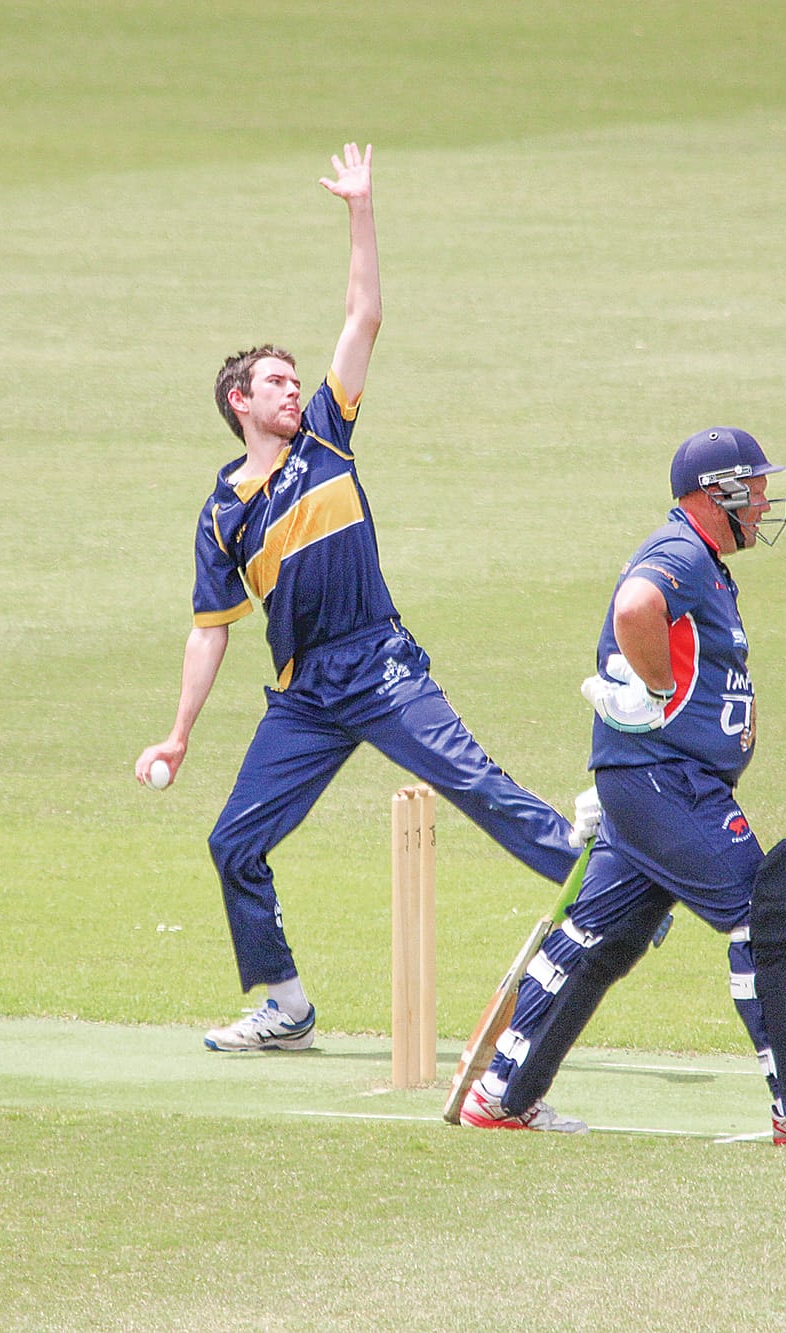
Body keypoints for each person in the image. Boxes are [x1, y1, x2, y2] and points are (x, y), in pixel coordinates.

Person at [133, 144, 579, 1053]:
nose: (295, 390)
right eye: (276, 384)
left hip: (380, 667)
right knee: (234, 844)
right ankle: (285, 1007)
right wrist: (179, 731)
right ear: (237, 401)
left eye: (298, 380)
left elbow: (364, 313)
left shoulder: (328, 436)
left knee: (480, 789)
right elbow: (207, 634)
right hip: (306, 697)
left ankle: (615, 891)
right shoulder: (223, 514)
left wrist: (360, 210)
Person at [459, 427, 786, 1142]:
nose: (765, 498)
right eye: (755, 486)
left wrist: (619, 766)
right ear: (717, 493)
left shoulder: (702, 559)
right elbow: (633, 609)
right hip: (669, 782)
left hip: (649, 780)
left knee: (603, 935)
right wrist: (652, 703)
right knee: (763, 909)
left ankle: (503, 1093)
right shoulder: (681, 551)